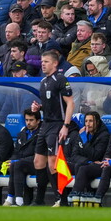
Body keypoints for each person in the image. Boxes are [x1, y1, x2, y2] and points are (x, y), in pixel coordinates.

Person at [35, 49, 75, 206]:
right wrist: (38, 108)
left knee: (53, 163)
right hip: (45, 124)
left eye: (46, 62)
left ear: (55, 63)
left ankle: (62, 198)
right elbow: (50, 105)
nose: (42, 64)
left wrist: (66, 125)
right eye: (41, 62)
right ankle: (39, 199)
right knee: (38, 161)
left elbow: (70, 103)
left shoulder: (60, 79)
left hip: (57, 124)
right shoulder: (43, 81)